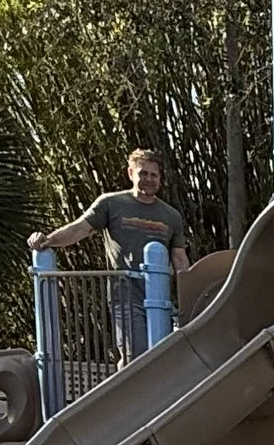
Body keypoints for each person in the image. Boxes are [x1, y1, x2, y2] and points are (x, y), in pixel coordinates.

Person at [36, 147, 191, 364]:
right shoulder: (111, 204)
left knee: (163, 357)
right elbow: (80, 229)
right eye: (143, 173)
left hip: (161, 296)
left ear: (160, 178)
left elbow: (180, 259)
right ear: (131, 173)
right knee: (134, 355)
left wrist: (190, 295)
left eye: (153, 175)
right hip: (125, 296)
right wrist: (47, 240)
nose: (148, 179)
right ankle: (128, 396)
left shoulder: (171, 215)